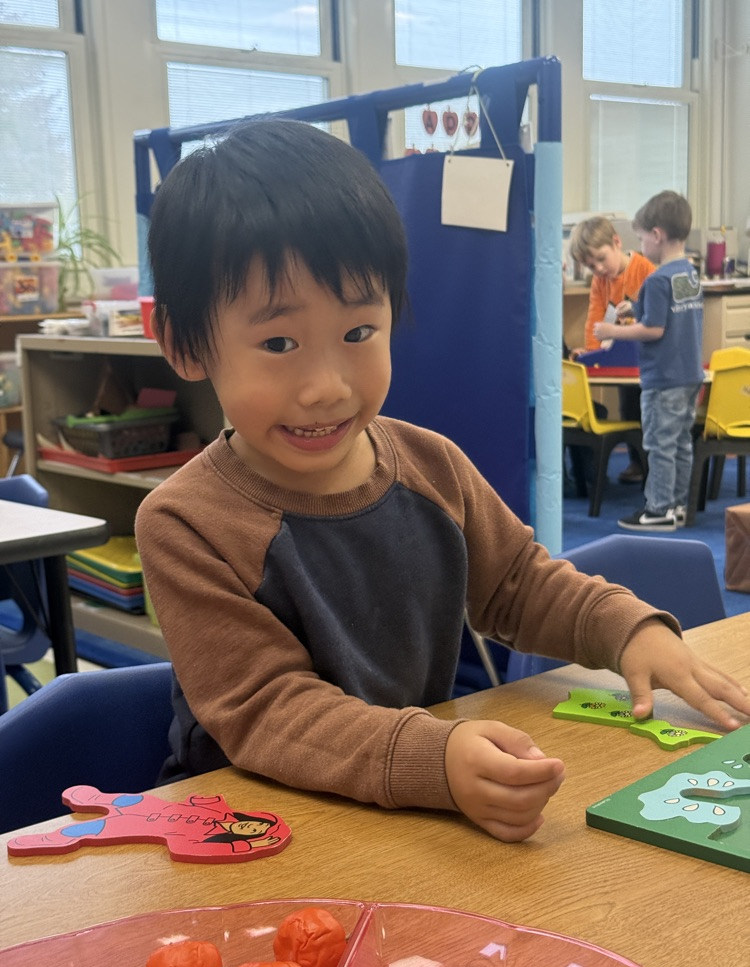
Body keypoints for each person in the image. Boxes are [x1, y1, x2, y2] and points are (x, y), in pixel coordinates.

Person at [135, 124, 749, 845]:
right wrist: (432, 757)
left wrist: (629, 631)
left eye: (359, 332)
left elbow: (520, 584)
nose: (326, 387)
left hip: (402, 814)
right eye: (278, 344)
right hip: (250, 833)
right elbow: (269, 710)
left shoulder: (431, 465)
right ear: (182, 342)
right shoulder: (185, 523)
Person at [594, 191, 704, 533]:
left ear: (657, 235)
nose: (641, 246)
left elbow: (654, 329)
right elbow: (672, 315)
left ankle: (657, 509)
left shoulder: (656, 278)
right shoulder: (688, 273)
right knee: (681, 442)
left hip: (663, 378)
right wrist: (636, 308)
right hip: (688, 374)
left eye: (641, 238)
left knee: (658, 444)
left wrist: (612, 328)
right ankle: (678, 506)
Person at [569, 216, 655, 484]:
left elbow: (654, 318)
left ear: (616, 242)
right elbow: (596, 316)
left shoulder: (645, 271)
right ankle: (637, 462)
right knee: (628, 408)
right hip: (622, 360)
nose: (598, 268)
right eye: (590, 266)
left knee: (646, 412)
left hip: (648, 359)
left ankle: (651, 468)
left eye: (601, 259)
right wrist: (593, 353)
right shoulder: (600, 281)